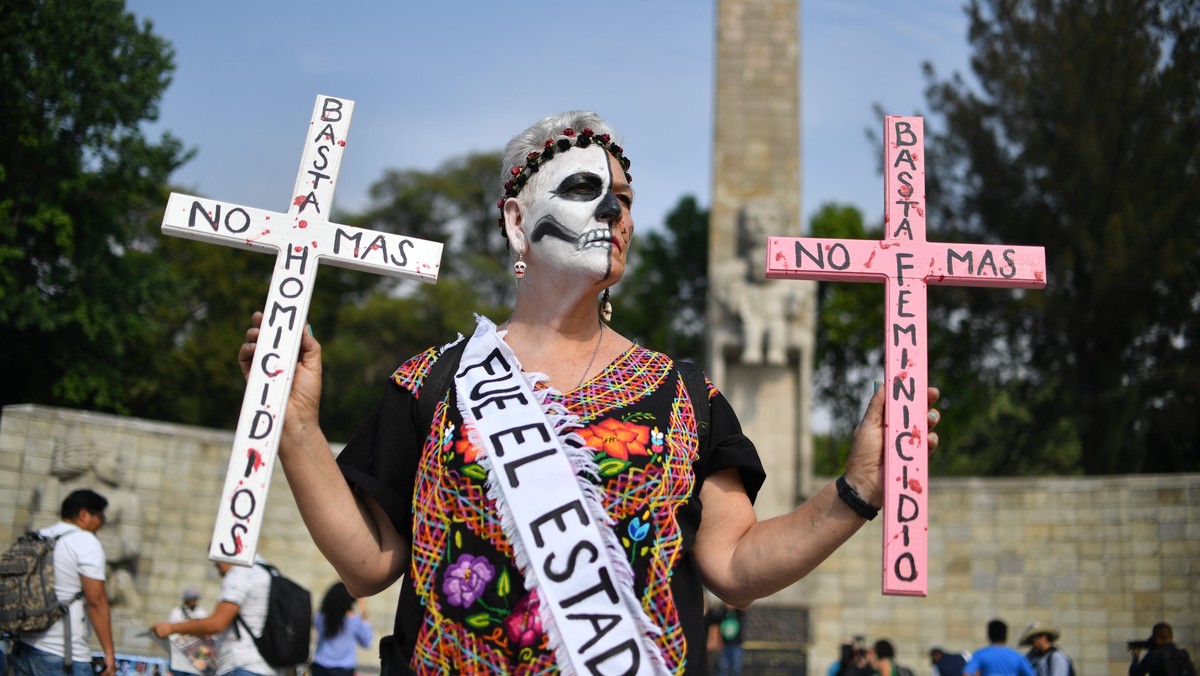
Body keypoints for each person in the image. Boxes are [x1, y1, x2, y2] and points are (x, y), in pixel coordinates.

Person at [242, 110, 941, 674]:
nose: (615, 210)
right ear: (518, 221)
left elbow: (731, 566)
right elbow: (367, 565)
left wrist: (853, 492)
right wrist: (296, 423)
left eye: (626, 198)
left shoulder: (683, 395)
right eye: (582, 190)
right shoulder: (436, 380)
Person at [11, 489, 116, 676]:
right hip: (63, 655)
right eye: (101, 517)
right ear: (84, 514)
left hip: (23, 647)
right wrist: (109, 653)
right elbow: (96, 600)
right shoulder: (85, 541)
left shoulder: (37, 536)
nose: (101, 524)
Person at [149, 558, 276, 676]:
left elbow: (216, 624)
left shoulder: (240, 574)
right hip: (258, 666)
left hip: (240, 664)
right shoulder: (177, 612)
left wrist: (171, 628)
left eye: (217, 565)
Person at [310, 582, 372, 676]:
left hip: (320, 668)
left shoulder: (320, 617)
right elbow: (367, 642)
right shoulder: (354, 621)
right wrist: (363, 611)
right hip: (344, 670)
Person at [165, 586, 213, 676]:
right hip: (180, 652)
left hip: (196, 654)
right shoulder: (176, 612)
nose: (194, 601)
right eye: (192, 599)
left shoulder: (201, 612)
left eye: (195, 599)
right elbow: (172, 633)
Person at [964, 619, 1036, 676]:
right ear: (1006, 636)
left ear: (989, 635)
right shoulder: (1017, 656)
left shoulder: (980, 654)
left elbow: (967, 674)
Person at [1130, 622, 1196, 676]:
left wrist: (1135, 657)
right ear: (1171, 637)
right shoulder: (1182, 655)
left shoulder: (1153, 655)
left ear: (1157, 638)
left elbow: (1135, 674)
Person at [704, 602, 746, 676]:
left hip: (736, 645)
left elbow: (745, 605)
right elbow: (713, 622)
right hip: (724, 645)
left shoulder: (738, 613)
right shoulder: (722, 614)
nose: (729, 604)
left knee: (736, 667)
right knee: (723, 667)